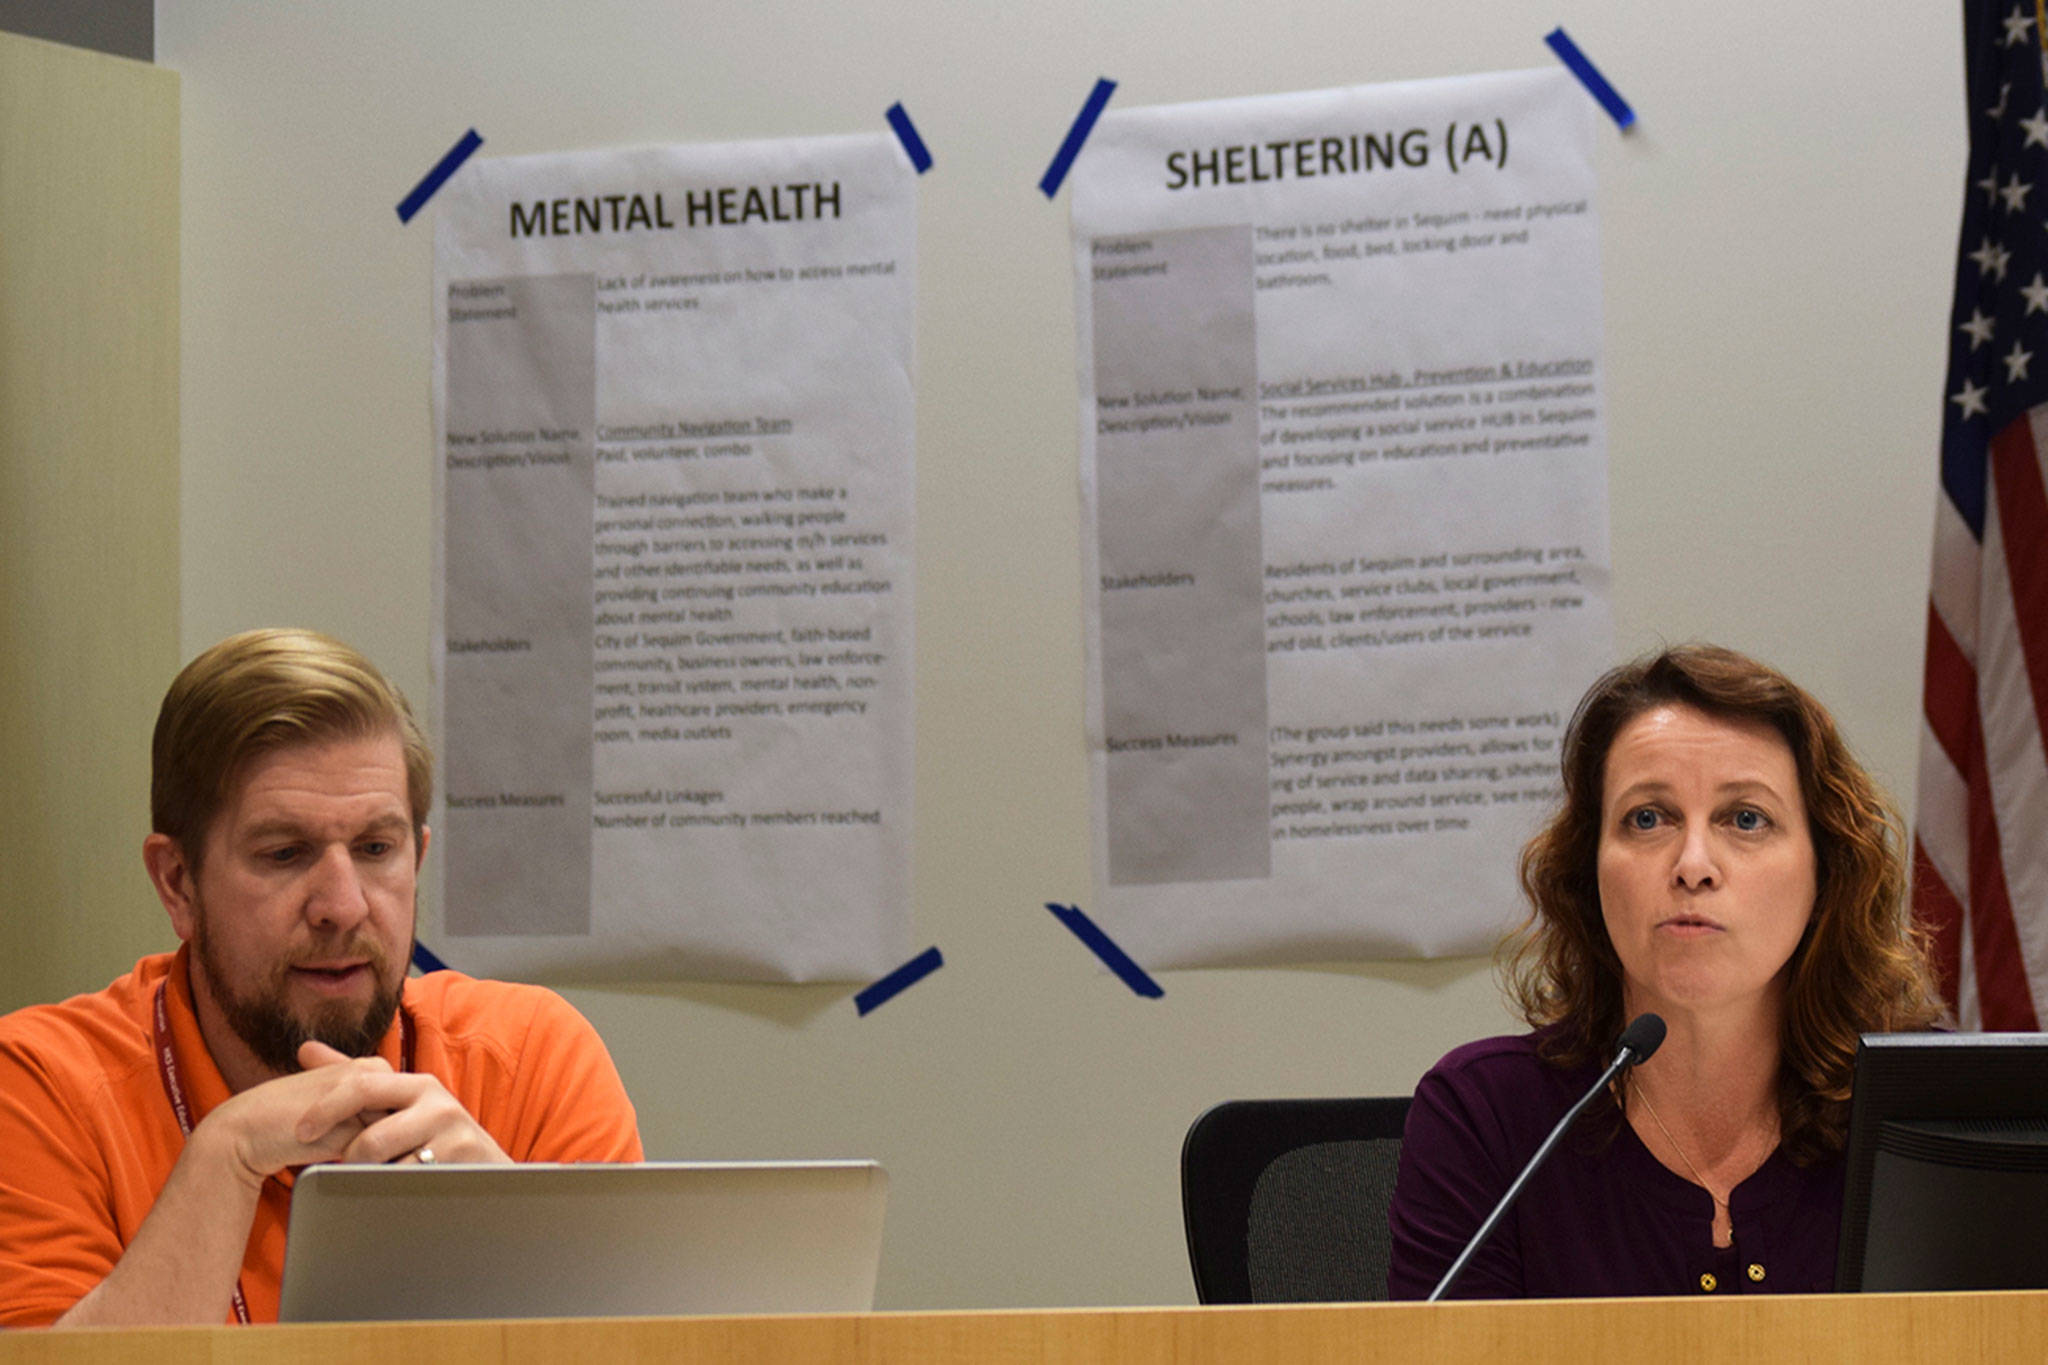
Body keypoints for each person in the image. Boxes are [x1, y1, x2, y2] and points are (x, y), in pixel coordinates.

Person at [0, 629, 643, 1327]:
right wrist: (229, 1151)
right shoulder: (39, 1087)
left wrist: (507, 1240)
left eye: (375, 848)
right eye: (284, 852)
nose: (343, 905)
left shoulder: (530, 1060)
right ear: (179, 882)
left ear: (417, 858)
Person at [1386, 645, 1944, 1299]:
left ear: (1825, 873)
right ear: (1589, 868)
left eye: (1746, 818)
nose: (1693, 864)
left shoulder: (1927, 1113)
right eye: (1648, 817)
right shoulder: (1489, 1116)